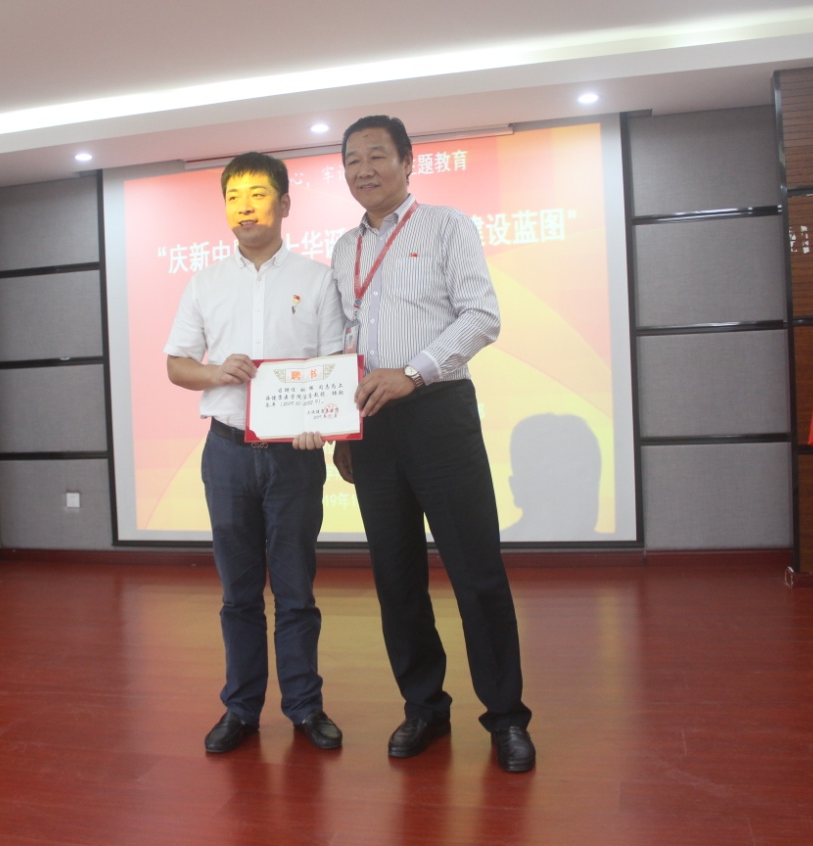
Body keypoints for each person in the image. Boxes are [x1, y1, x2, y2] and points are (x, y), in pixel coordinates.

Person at [330, 116, 535, 772]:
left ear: (407, 161)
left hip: (438, 413)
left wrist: (412, 372)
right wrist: (341, 424)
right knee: (395, 576)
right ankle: (424, 707)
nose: (364, 169)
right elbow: (343, 338)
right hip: (372, 425)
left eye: (376, 156)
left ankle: (505, 716)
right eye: (352, 159)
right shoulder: (343, 248)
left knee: (476, 572)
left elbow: (482, 316)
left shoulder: (447, 226)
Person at [165, 152, 346, 754]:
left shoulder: (318, 279)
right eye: (234, 197)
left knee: (295, 591)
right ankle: (241, 709)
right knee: (238, 594)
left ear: (285, 204)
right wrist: (216, 371)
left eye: (258, 194)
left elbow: (332, 367)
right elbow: (177, 365)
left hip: (294, 456)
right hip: (227, 454)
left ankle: (305, 706)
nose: (245, 207)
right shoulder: (205, 282)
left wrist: (318, 423)